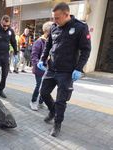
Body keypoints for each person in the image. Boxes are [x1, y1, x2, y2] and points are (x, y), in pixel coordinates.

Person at [37, 2, 91, 137]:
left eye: (57, 18)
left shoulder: (80, 27)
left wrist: (79, 68)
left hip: (67, 72)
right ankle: (52, 110)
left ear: (67, 14)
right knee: (43, 93)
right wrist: (42, 59)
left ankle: (57, 124)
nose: (54, 21)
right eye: (53, 18)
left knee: (61, 100)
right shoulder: (54, 27)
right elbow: (48, 46)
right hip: (52, 68)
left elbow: (86, 50)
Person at [30, 21, 53, 111]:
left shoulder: (51, 41)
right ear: (47, 31)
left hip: (49, 69)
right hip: (39, 69)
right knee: (38, 85)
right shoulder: (39, 42)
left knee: (45, 87)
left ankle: (41, 101)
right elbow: (34, 55)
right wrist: (38, 63)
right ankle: (33, 101)